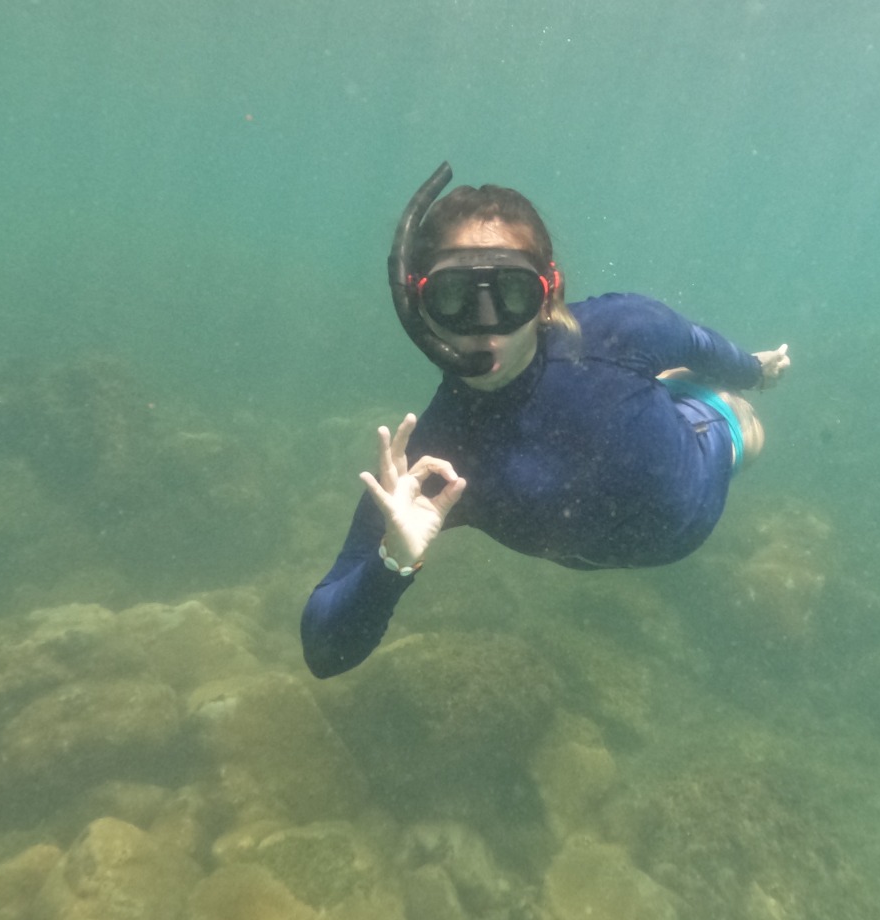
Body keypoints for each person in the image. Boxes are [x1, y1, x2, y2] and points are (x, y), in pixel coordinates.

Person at [301, 163, 790, 678]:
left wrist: (755, 372)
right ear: (418, 305)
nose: (485, 330)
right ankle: (659, 385)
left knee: (737, 417)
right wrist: (392, 562)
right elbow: (323, 650)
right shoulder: (432, 464)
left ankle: (681, 392)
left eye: (512, 293)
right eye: (454, 297)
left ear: (547, 295)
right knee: (633, 378)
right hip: (590, 528)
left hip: (698, 467)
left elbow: (699, 343)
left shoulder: (623, 330)